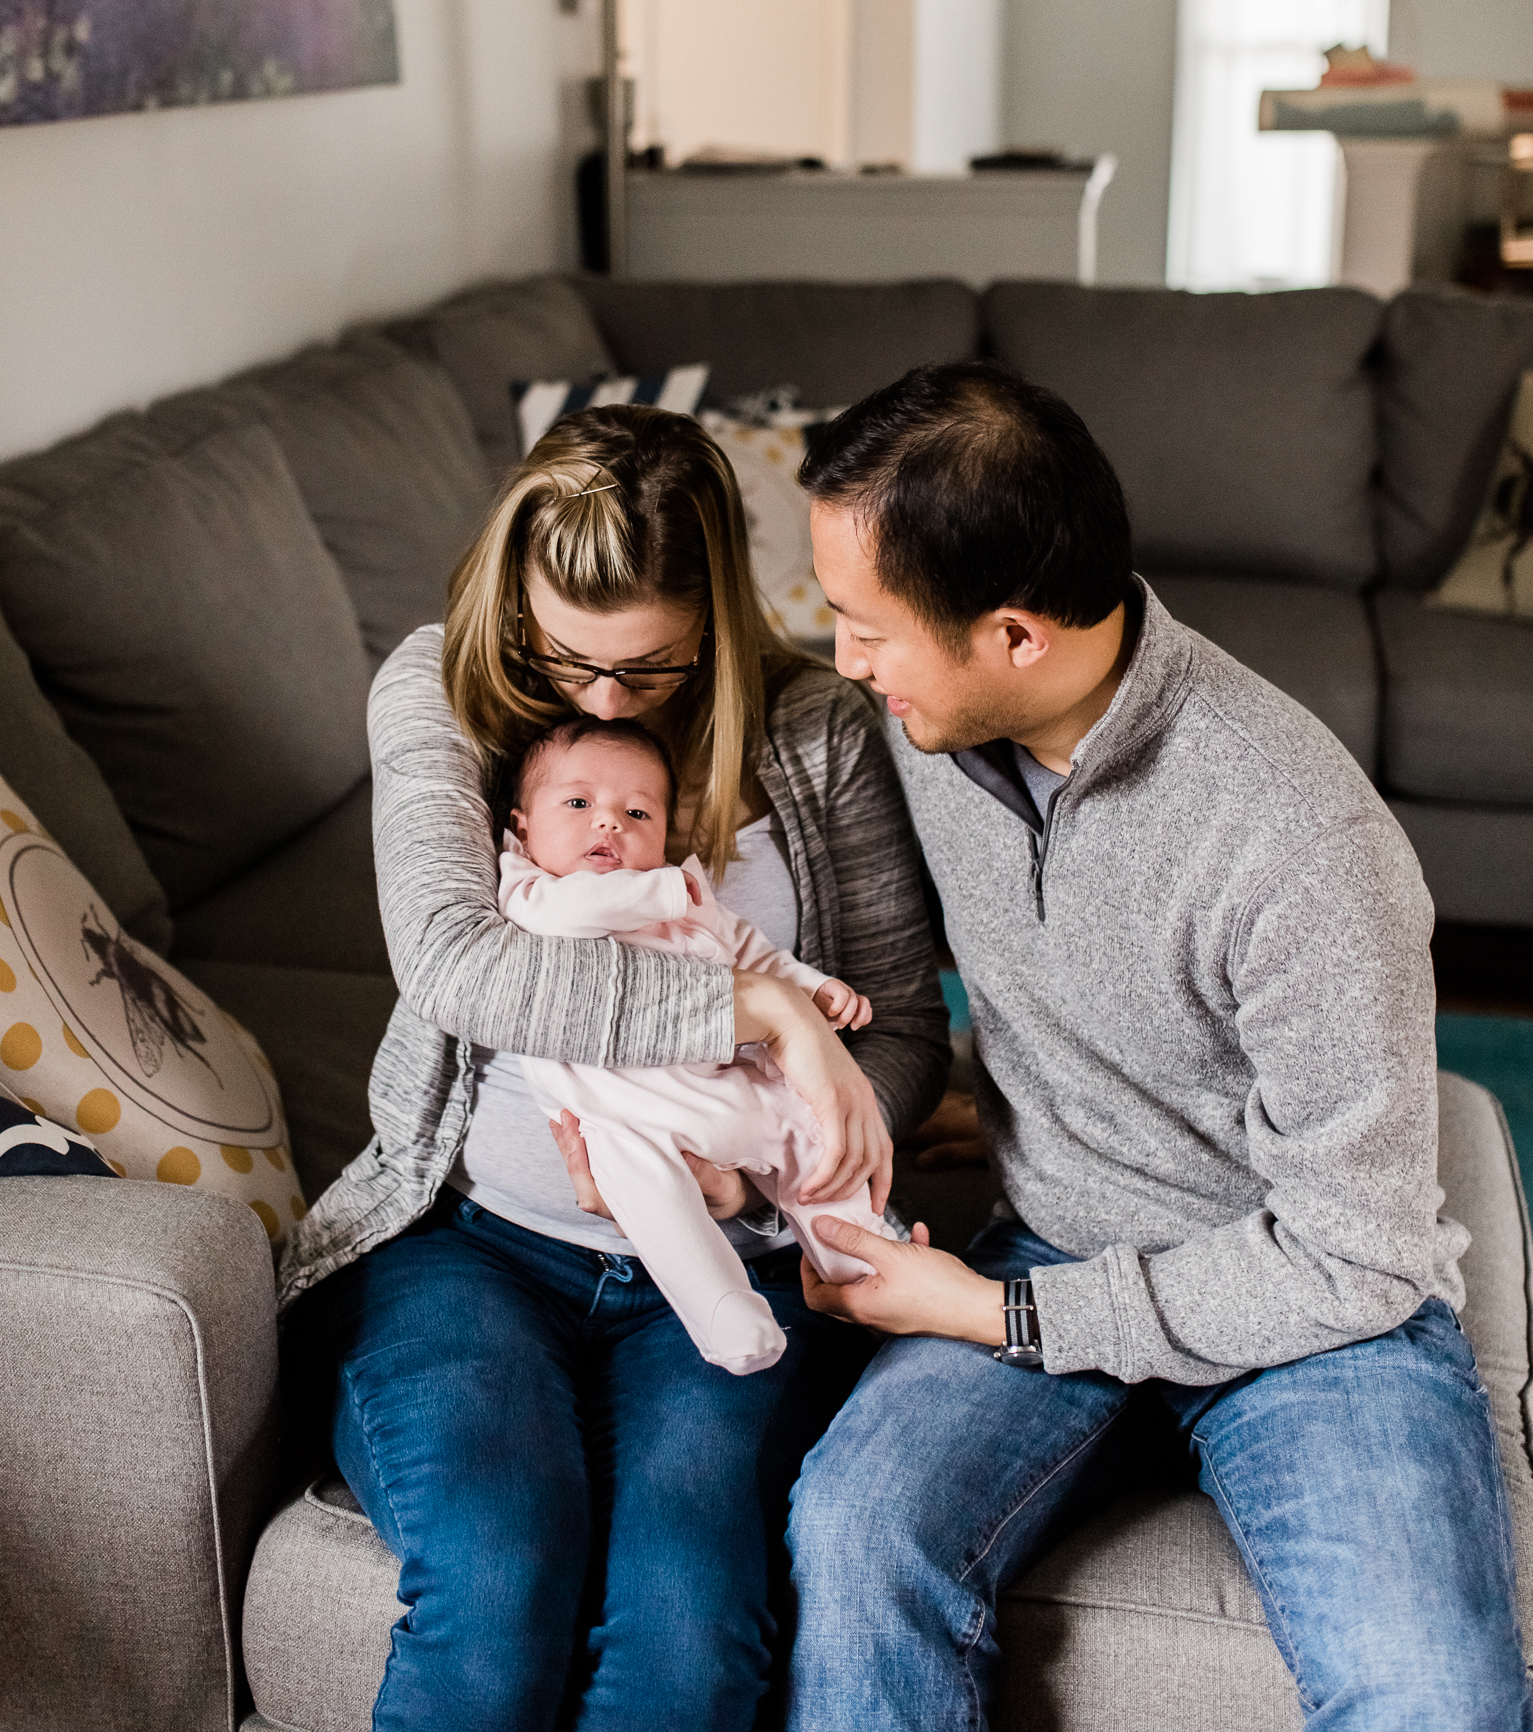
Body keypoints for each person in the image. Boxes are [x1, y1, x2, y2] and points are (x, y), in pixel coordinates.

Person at [784, 361, 1529, 1731]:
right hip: (1054, 1223)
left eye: (864, 627)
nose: (844, 661)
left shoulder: (1300, 841)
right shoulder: (923, 719)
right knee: (849, 1534)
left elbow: (1352, 1252)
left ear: (1012, 635)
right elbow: (690, 704)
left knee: (1433, 1696)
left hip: (1313, 1312)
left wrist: (994, 1314)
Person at [277, 404, 949, 1732]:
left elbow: (911, 1034)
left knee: (692, 1630)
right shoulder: (442, 688)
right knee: (498, 1570)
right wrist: (762, 1006)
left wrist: (760, 1170)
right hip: (467, 1245)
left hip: (729, 1264)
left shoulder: (814, 732)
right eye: (560, 654)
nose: (591, 699)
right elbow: (460, 966)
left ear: (719, 617)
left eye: (644, 670)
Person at [502, 712, 894, 1375]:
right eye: (578, 803)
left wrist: (814, 989)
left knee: (816, 1145)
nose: (609, 823)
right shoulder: (530, 889)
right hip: (627, 1121)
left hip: (732, 1089)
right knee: (654, 1200)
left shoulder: (694, 899)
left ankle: (864, 1268)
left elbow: (756, 956)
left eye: (637, 812)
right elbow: (561, 916)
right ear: (522, 828)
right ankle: (724, 1313)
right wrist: (657, 892)